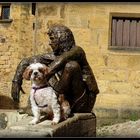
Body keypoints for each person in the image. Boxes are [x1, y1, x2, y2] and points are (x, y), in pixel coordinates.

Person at [11, 24, 99, 114]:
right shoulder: (55, 55)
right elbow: (27, 61)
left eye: (52, 39)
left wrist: (42, 75)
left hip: (82, 102)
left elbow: (61, 60)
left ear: (61, 39)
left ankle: (47, 103)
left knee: (71, 66)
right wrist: (16, 81)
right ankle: (36, 105)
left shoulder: (77, 51)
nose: (50, 43)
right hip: (65, 98)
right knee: (38, 65)